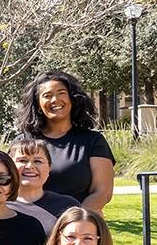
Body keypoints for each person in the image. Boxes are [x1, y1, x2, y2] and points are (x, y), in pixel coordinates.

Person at [15, 70, 115, 212]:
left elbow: (102, 192)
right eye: (47, 96)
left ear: (72, 98)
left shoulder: (93, 141)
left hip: (78, 227)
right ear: (38, 104)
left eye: (61, 93)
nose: (55, 100)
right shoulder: (23, 142)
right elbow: (10, 185)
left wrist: (72, 222)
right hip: (31, 224)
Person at [7, 137, 82, 232]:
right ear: (9, 167)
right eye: (22, 160)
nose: (30, 166)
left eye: (38, 161)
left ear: (49, 168)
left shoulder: (68, 206)